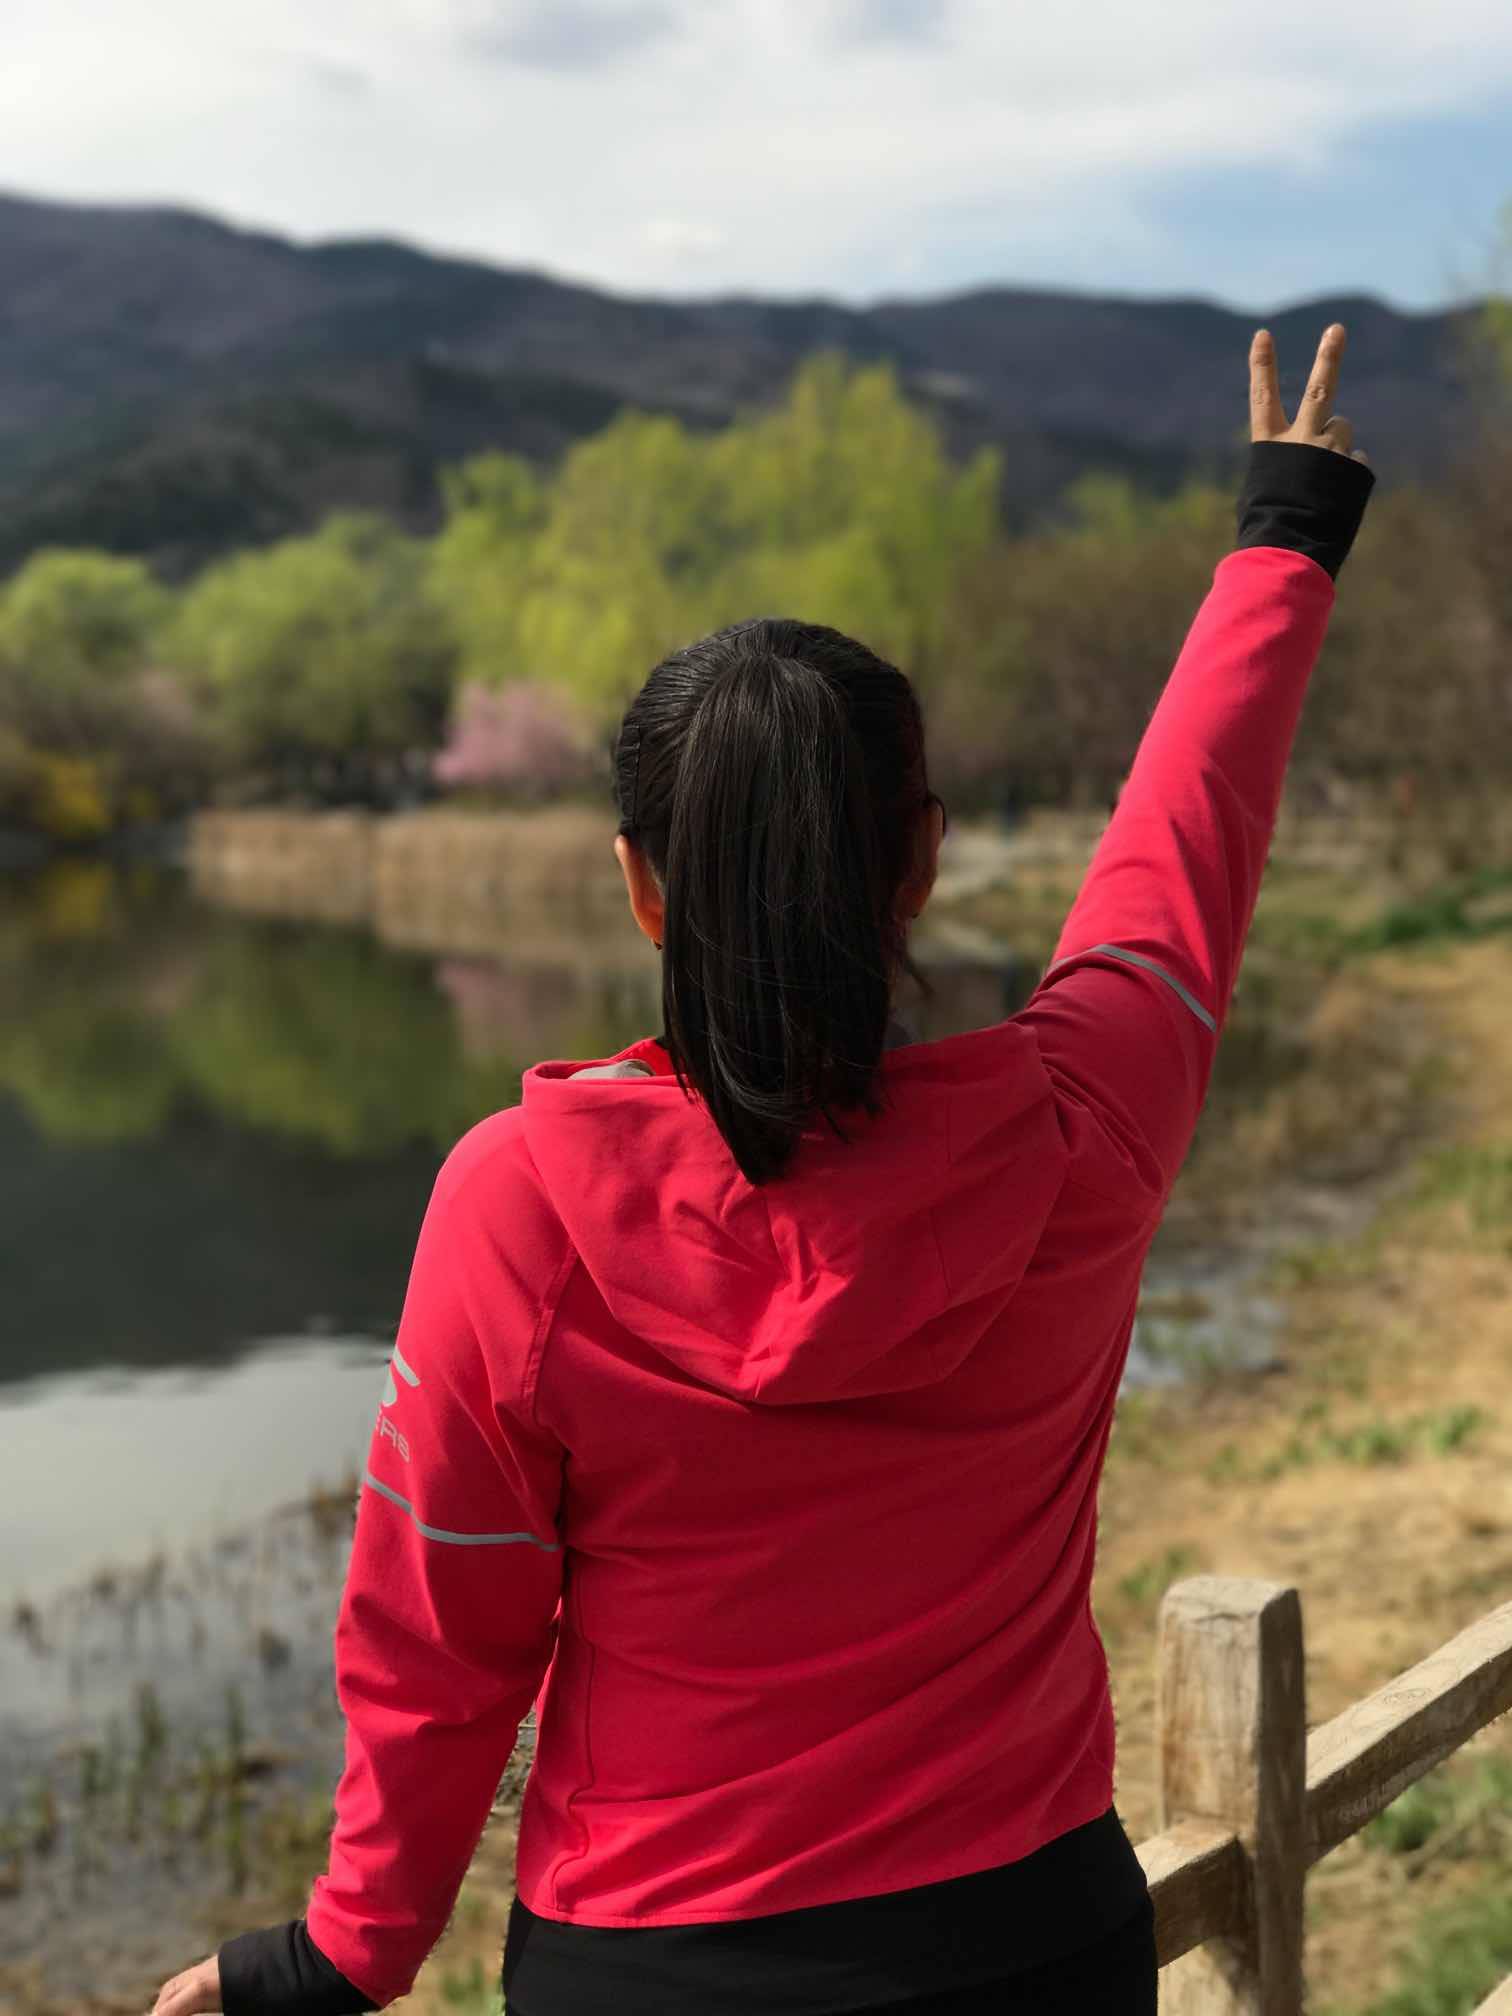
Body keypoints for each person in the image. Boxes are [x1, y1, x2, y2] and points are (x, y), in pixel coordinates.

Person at [153, 324, 1374, 2016]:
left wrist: (348, 1955)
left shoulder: (521, 1205)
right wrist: (1282, 541)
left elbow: (441, 1632)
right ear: (923, 861)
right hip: (1031, 1936)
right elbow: (1180, 860)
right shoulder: (1081, 1127)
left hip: (655, 1967)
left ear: (640, 886)